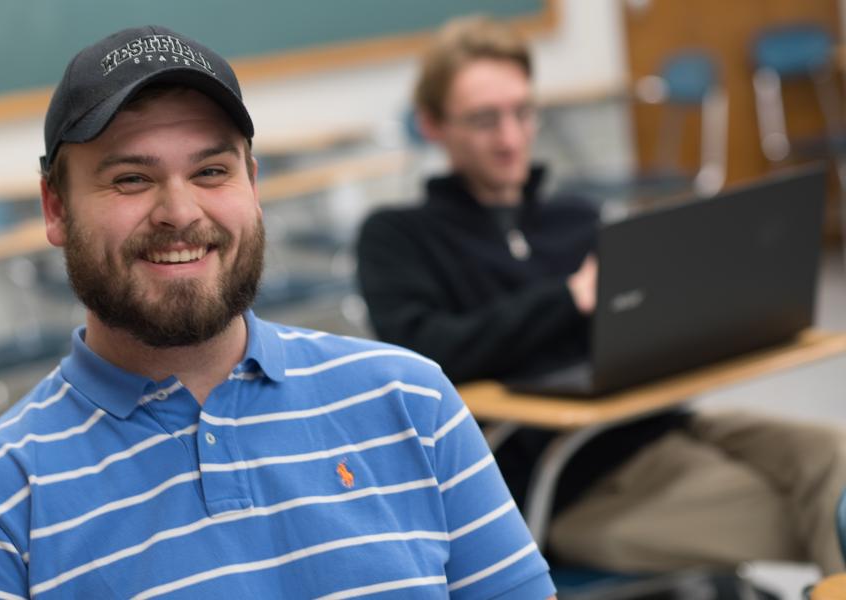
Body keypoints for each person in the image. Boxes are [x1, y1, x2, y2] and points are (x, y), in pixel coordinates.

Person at [0, 25, 557, 600]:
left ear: (253, 181)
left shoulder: (413, 402)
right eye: (131, 179)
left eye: (212, 171)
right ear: (56, 207)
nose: (181, 212)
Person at [356, 15, 846, 575]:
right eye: (484, 120)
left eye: (522, 112)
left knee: (833, 453)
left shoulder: (577, 218)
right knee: (826, 512)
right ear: (433, 125)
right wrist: (568, 299)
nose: (511, 138)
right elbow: (425, 351)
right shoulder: (399, 236)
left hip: (662, 430)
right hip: (570, 484)